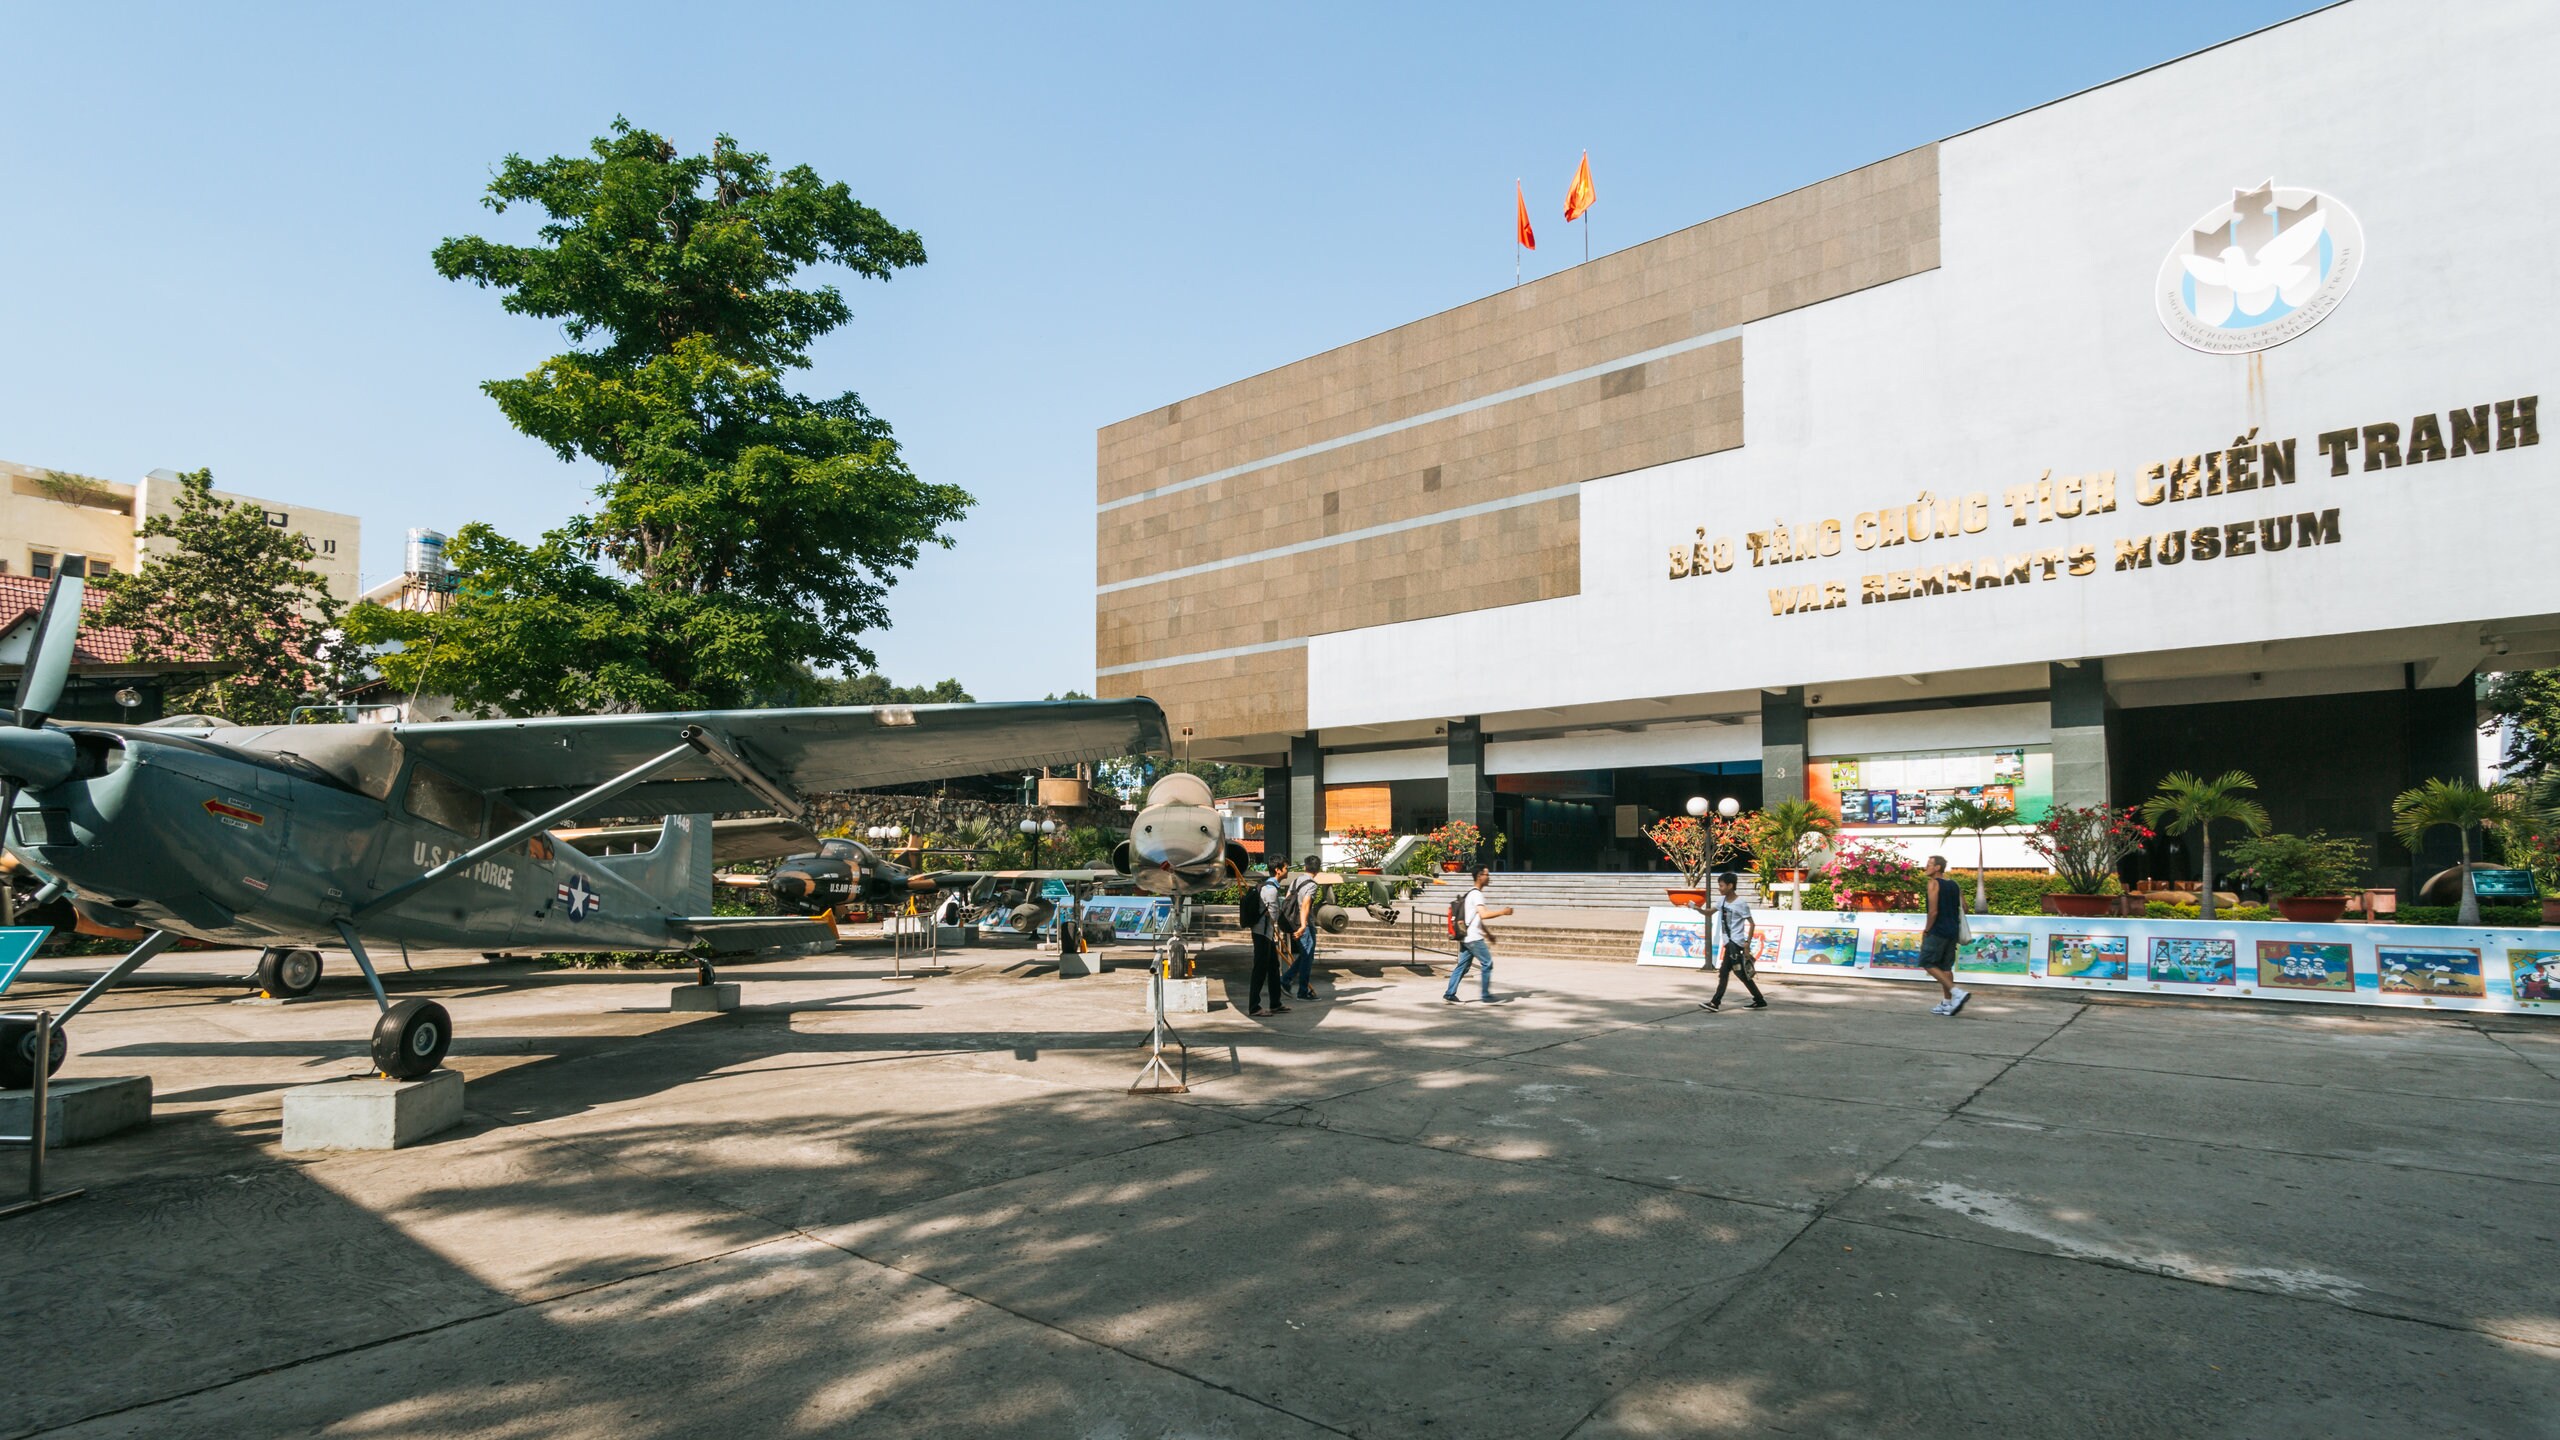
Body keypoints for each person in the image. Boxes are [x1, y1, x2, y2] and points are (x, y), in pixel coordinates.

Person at [1698, 872, 1766, 1012]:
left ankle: (1715, 1002)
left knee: (1727, 972)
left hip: (1735, 943)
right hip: (1728, 943)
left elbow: (1752, 924)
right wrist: (1697, 908)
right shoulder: (1721, 901)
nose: (1720, 888)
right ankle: (1759, 999)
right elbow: (1709, 912)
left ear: (1730, 886)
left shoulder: (1741, 903)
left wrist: (1747, 943)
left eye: (1721, 886)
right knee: (1736, 973)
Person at [1443, 867, 1511, 1003]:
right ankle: (1486, 996)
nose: (1489, 877)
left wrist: (1488, 934)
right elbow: (1483, 914)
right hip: (1473, 938)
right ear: (1479, 876)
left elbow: (1476, 918)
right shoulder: (1477, 894)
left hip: (1466, 936)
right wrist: (1502, 912)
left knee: (1462, 966)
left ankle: (1449, 994)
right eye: (1487, 874)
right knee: (1487, 963)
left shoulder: (1470, 893)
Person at [1920, 854, 1970, 1016]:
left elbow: (1933, 912)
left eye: (1929, 864)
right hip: (1953, 930)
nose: (1926, 867)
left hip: (1938, 930)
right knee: (1945, 967)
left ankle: (1956, 992)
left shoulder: (1933, 883)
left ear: (1937, 868)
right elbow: (1965, 907)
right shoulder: (1954, 884)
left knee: (1927, 962)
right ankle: (1948, 1003)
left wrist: (1927, 930)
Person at [1249, 860, 1290, 1017]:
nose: (1287, 870)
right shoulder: (1271, 890)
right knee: (1259, 969)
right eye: (1286, 868)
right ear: (1278, 870)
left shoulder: (1267, 886)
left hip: (1266, 933)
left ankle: (1275, 1003)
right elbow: (1273, 916)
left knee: (1273, 967)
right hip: (1263, 934)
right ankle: (1254, 1007)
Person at [1280, 853, 1322, 999]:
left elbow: (1287, 900)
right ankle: (1302, 991)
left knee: (1305, 955)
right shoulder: (1311, 885)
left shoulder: (1295, 881)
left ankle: (1286, 980)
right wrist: (1303, 926)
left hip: (1292, 921)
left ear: (1305, 867)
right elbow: (1305, 905)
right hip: (1303, 924)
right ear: (1318, 870)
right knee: (1307, 957)